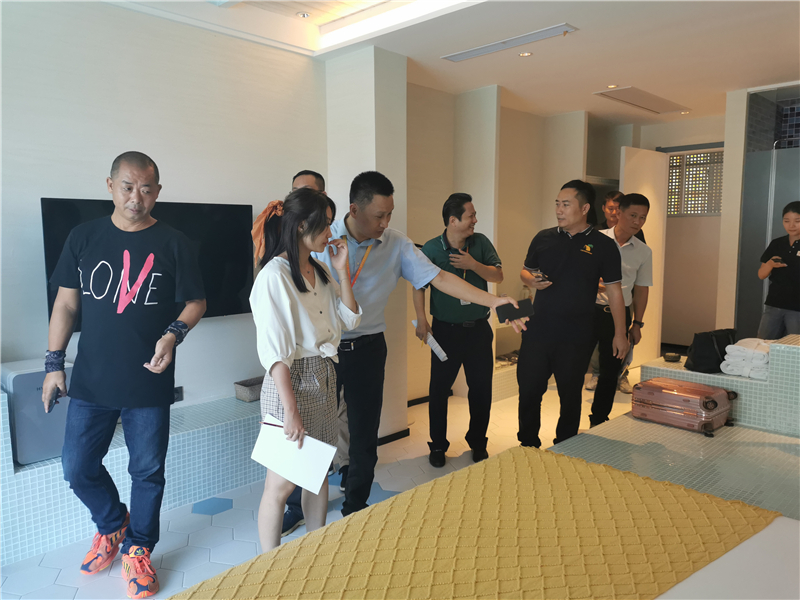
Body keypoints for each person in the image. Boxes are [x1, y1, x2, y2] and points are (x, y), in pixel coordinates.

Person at [42, 152, 206, 599]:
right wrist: (54, 366)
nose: (137, 198)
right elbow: (66, 304)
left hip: (148, 380)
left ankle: (138, 549)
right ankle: (113, 523)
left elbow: (196, 301)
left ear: (158, 191)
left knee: (147, 472)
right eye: (128, 187)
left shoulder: (174, 242)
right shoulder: (83, 237)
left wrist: (173, 335)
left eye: (147, 189)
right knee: (77, 467)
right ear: (110, 185)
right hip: (91, 380)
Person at [313, 171, 523, 516]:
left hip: (367, 347)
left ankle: (355, 508)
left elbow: (440, 279)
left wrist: (495, 301)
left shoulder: (396, 244)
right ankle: (305, 507)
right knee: (317, 432)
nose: (386, 223)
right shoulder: (324, 240)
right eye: (379, 216)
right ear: (354, 210)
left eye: (390, 214)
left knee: (365, 434)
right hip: (324, 349)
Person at [249, 188, 361, 552]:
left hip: (324, 375)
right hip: (291, 382)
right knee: (280, 485)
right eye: (324, 225)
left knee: (317, 474)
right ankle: (268, 563)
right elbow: (275, 355)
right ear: (300, 226)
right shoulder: (274, 276)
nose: (330, 233)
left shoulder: (320, 270)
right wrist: (291, 411)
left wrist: (342, 271)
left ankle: (316, 553)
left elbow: (350, 319)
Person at [517, 180, 628, 448]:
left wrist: (620, 334)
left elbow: (615, 292)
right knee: (529, 390)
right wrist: (531, 281)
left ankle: (565, 444)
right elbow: (525, 271)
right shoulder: (543, 238)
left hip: (576, 334)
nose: (559, 210)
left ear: (585, 208)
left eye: (566, 204)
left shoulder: (603, 245)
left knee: (569, 395)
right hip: (538, 329)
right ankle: (527, 445)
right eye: (557, 203)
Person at [413, 194, 503, 467]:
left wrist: (473, 265)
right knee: (439, 391)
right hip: (445, 332)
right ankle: (438, 445)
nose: (475, 220)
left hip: (478, 331)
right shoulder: (432, 249)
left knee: (481, 390)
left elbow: (497, 275)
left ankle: (478, 442)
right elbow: (418, 286)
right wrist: (421, 320)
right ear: (453, 221)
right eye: (470, 215)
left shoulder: (481, 243)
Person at [589, 193, 653, 427]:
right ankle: (569, 424)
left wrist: (637, 324)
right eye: (633, 215)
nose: (637, 222)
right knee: (574, 367)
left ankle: (599, 421)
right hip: (588, 311)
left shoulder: (643, 251)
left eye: (643, 217)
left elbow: (642, 289)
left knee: (611, 371)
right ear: (619, 213)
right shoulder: (595, 239)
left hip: (618, 315)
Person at [757, 201, 800, 339]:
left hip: (797, 309)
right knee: (763, 344)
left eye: (797, 221)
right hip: (774, 304)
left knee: (794, 347)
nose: (791, 225)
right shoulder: (777, 243)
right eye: (787, 221)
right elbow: (761, 274)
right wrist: (770, 264)